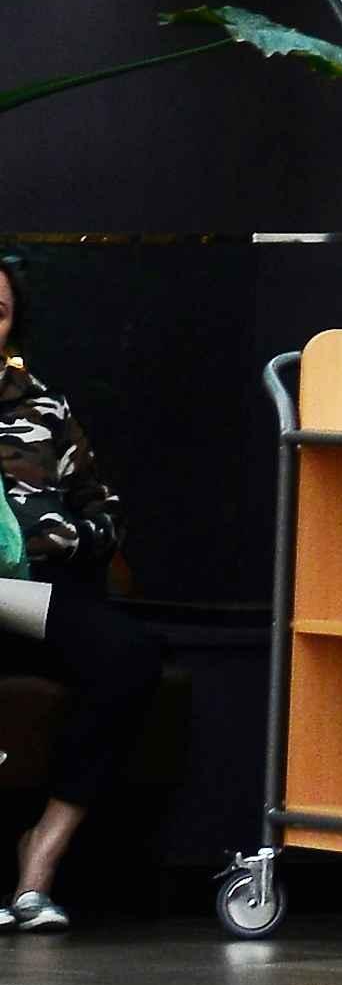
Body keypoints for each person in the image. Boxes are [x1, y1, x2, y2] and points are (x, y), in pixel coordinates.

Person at [0, 266, 161, 929]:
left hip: (29, 594)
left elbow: (107, 510)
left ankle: (43, 853)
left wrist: (66, 538)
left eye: (0, 310)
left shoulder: (42, 406)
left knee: (128, 655)